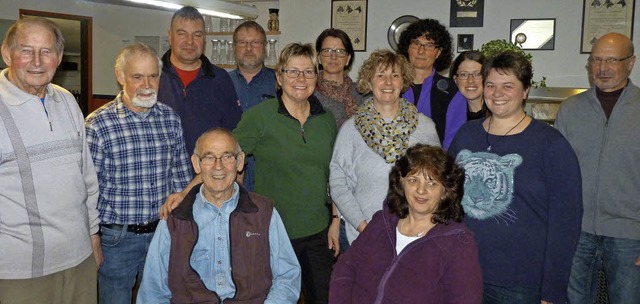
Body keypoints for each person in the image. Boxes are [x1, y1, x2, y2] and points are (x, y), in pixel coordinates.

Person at [449, 51, 583, 303]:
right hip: (463, 273)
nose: (497, 93)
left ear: (525, 91)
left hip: (520, 282)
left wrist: (553, 290)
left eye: (508, 85)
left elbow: (566, 224)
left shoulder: (551, 144)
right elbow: (446, 200)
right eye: (491, 85)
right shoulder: (465, 136)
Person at [0, 17, 101, 303]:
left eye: (46, 51)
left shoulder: (67, 100)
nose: (36, 61)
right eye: (26, 50)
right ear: (7, 54)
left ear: (58, 58)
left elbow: (86, 177)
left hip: (79, 258)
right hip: (20, 272)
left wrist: (93, 234)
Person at [137, 128, 301, 303]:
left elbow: (287, 277)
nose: (218, 166)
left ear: (240, 162)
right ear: (196, 164)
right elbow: (153, 291)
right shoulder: (175, 219)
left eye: (227, 156)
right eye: (209, 157)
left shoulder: (263, 213)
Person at [85, 42, 193, 303]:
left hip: (162, 234)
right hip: (116, 240)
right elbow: (85, 193)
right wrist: (93, 240)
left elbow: (181, 180)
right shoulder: (98, 124)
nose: (147, 84)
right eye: (137, 76)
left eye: (153, 76)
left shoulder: (170, 118)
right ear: (120, 76)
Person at [233, 43, 338, 304]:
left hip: (318, 231)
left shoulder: (325, 120)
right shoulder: (259, 116)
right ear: (279, 77)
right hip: (271, 232)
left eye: (308, 72)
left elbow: (335, 173)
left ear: (317, 77)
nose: (300, 79)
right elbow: (228, 159)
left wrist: (336, 219)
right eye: (292, 71)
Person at [329, 144, 483, 303]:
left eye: (432, 183)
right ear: (401, 183)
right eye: (413, 180)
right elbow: (345, 267)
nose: (421, 190)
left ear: (446, 192)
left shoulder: (457, 243)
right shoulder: (382, 222)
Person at [555, 32, 640, 304]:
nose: (603, 68)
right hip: (577, 231)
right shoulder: (570, 109)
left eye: (612, 60)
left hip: (629, 234)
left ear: (630, 63)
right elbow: (557, 174)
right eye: (596, 60)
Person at [329, 50, 440, 245]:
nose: (388, 83)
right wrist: (364, 227)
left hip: (416, 237)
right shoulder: (351, 129)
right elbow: (338, 183)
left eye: (395, 76)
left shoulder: (425, 127)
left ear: (403, 81)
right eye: (380, 76)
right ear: (369, 82)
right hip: (364, 235)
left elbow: (438, 182)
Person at [159, 5, 242, 156]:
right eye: (182, 34)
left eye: (197, 35)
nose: (190, 42)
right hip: (161, 175)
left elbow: (234, 133)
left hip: (209, 175)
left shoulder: (220, 79)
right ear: (170, 36)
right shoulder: (153, 76)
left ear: (204, 39)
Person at [398, 18, 466, 150]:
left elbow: (453, 141)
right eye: (416, 43)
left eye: (429, 45)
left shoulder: (452, 91)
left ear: (439, 52)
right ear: (407, 48)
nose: (421, 51)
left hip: (435, 165)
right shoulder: (391, 86)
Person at [228, 20, 276, 192]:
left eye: (255, 43)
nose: (249, 48)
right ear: (234, 47)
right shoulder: (222, 83)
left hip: (270, 175)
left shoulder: (280, 83)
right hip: (228, 176)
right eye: (243, 43)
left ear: (265, 47)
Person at [314, 28, 364, 127]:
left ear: (348, 59)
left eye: (340, 51)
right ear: (319, 58)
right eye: (327, 51)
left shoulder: (362, 94)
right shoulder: (309, 94)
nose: (333, 56)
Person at [451, 50, 488, 120]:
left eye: (477, 74)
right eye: (464, 74)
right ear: (455, 80)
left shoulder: (499, 113)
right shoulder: (449, 115)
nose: (470, 80)